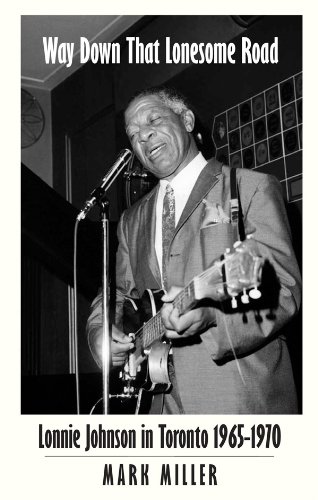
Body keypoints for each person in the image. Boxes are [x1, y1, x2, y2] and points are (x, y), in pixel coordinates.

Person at [87, 86, 301, 414]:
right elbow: (117, 293)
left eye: (153, 120)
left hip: (241, 403)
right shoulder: (131, 220)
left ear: (187, 120)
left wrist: (213, 314)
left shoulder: (249, 188)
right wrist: (101, 330)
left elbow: (282, 290)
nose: (142, 137)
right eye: (133, 134)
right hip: (159, 406)